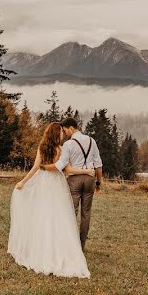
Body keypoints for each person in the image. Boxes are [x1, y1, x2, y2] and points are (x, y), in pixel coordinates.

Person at [8, 122, 94, 278]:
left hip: (45, 182)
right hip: (57, 183)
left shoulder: (44, 148)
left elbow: (35, 168)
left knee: (44, 213)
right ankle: (57, 247)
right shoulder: (61, 150)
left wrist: (23, 181)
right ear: (57, 134)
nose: (63, 134)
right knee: (57, 214)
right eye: (61, 132)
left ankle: (42, 247)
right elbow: (67, 170)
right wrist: (87, 171)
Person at [40, 117, 103, 250]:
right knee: (86, 213)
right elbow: (98, 164)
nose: (64, 133)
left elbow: (60, 165)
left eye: (65, 130)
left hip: (74, 180)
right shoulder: (92, 141)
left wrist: (45, 167)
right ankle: (81, 246)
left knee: (71, 212)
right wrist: (98, 183)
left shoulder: (69, 144)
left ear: (71, 128)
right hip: (90, 180)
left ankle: (70, 245)